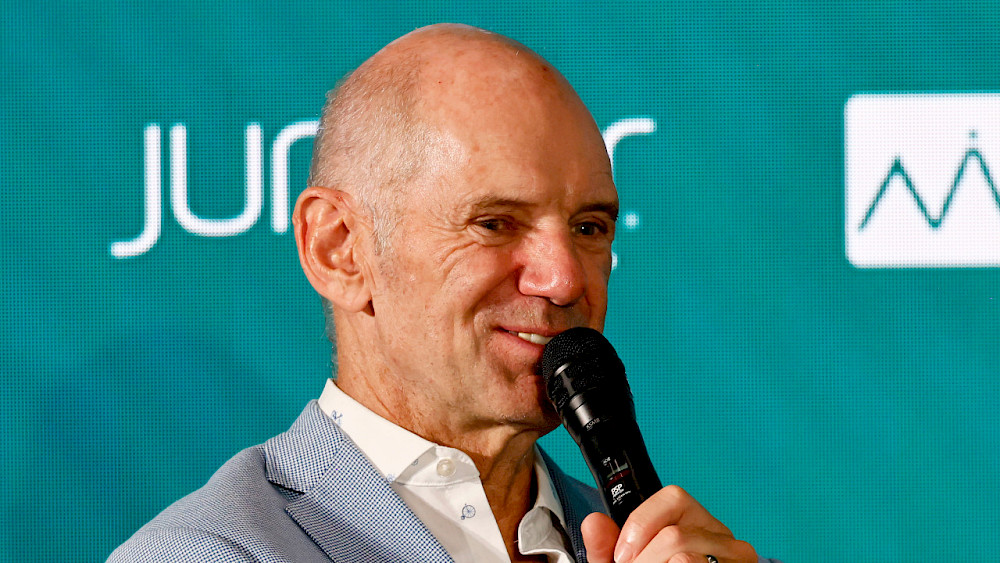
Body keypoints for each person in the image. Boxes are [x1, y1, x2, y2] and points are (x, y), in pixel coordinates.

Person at [109, 24, 778, 563]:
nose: (565, 279)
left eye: (588, 228)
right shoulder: (210, 551)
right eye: (495, 223)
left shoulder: (670, 548)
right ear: (339, 249)